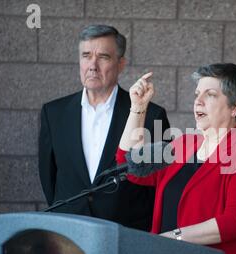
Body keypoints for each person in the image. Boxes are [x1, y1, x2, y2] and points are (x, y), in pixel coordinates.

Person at [116, 63, 236, 254]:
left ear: (235, 107)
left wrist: (172, 238)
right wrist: (137, 108)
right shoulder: (183, 144)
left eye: (210, 95)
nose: (198, 101)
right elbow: (131, 166)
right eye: (197, 94)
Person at [39, 25, 170, 231]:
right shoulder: (53, 113)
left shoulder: (152, 115)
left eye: (103, 57)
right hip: (68, 231)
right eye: (86, 55)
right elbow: (49, 177)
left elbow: (160, 186)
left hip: (126, 234)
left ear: (121, 64)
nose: (92, 65)